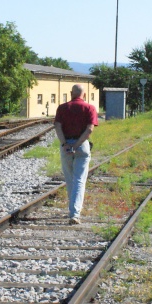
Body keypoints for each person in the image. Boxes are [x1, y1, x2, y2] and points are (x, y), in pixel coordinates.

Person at [54, 84, 98, 225]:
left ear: (71, 93)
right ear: (83, 95)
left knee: (70, 179)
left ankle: (73, 210)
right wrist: (77, 144)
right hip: (82, 146)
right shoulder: (90, 108)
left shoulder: (62, 108)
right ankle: (75, 213)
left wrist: (65, 144)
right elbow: (89, 129)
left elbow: (57, 126)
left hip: (66, 145)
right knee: (79, 180)